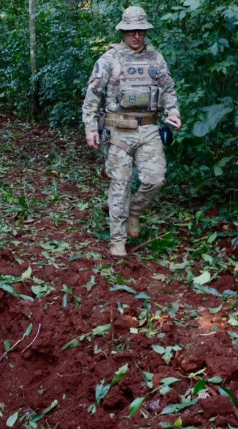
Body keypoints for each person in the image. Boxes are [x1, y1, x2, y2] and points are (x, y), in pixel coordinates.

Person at [82, 6, 181, 258]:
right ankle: (117, 240)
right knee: (120, 184)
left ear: (145, 31)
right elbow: (93, 94)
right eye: (130, 31)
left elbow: (168, 88)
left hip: (148, 128)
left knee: (155, 179)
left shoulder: (156, 59)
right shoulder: (109, 59)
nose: (136, 36)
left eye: (140, 31)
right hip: (118, 131)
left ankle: (134, 211)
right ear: (123, 31)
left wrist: (173, 112)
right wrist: (91, 127)